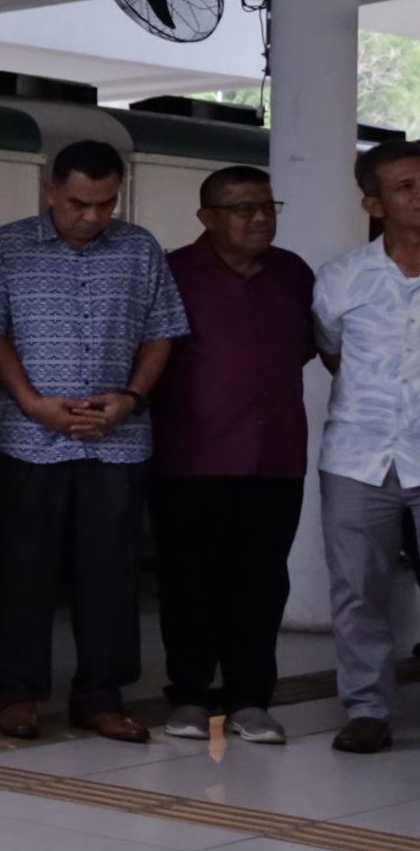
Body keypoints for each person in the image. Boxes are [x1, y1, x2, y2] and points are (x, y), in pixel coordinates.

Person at [0, 141, 186, 742]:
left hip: (117, 440)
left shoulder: (140, 248)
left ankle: (100, 695)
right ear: (50, 191)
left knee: (110, 573)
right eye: (78, 203)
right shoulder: (6, 246)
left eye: (105, 204)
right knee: (21, 568)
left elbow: (161, 333)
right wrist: (31, 402)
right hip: (27, 436)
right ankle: (17, 693)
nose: (92, 216)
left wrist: (131, 399)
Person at [149, 166, 313, 745]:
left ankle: (250, 700)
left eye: (268, 206)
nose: (260, 217)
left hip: (275, 457)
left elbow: (304, 347)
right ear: (207, 217)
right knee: (189, 581)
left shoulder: (293, 273)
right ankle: (190, 696)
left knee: (262, 584)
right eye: (244, 208)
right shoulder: (172, 272)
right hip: (192, 457)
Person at [310, 140, 420, 753]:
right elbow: (333, 352)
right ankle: (368, 709)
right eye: (406, 187)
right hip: (358, 459)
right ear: (373, 204)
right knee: (357, 590)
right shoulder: (341, 278)